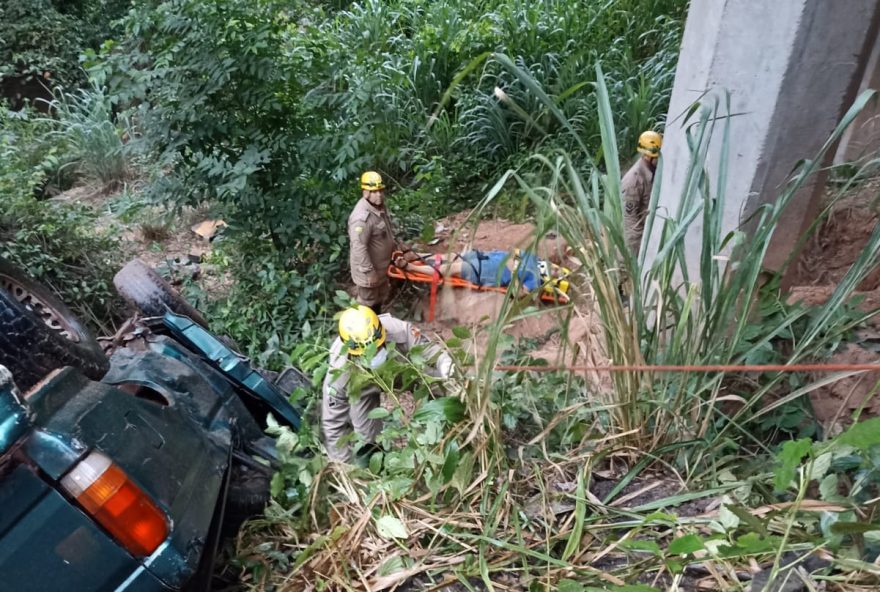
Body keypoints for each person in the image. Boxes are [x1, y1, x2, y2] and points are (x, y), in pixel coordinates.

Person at [322, 305, 453, 463]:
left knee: (443, 385)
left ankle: (452, 430)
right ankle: (377, 464)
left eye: (377, 347)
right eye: (367, 353)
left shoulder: (399, 331)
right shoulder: (339, 372)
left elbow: (432, 351)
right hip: (362, 386)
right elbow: (333, 422)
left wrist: (446, 365)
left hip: (403, 371)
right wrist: (345, 466)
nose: (375, 354)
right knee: (367, 436)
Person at [397, 249, 571, 299]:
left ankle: (412, 268)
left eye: (556, 272)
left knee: (453, 268)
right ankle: (419, 255)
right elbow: (514, 251)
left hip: (486, 272)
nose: (555, 268)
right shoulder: (534, 258)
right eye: (557, 268)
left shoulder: (536, 281)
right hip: (487, 257)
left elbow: (518, 295)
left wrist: (515, 272)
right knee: (452, 256)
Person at [348, 171, 401, 314]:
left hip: (381, 268)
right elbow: (358, 247)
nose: (379, 195)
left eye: (380, 190)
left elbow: (387, 232)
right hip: (369, 271)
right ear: (365, 193)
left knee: (379, 298)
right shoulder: (361, 218)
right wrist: (369, 272)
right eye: (374, 191)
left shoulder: (379, 207)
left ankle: (378, 324)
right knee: (367, 303)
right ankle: (364, 332)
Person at [621, 130, 662, 254]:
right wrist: (640, 252)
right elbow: (630, 221)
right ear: (648, 156)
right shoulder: (634, 181)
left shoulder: (652, 172)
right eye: (657, 157)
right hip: (638, 243)